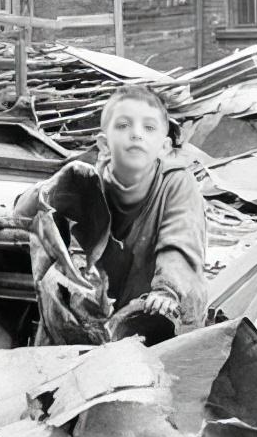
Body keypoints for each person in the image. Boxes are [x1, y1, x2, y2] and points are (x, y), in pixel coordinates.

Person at [14, 85, 207, 345]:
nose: (136, 134)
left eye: (149, 128)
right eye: (124, 126)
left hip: (161, 314)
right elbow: (24, 215)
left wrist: (167, 291)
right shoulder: (86, 181)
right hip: (101, 319)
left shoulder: (177, 183)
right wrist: (49, 190)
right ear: (104, 144)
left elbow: (180, 242)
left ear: (164, 147)